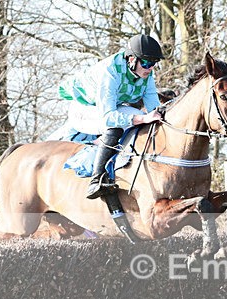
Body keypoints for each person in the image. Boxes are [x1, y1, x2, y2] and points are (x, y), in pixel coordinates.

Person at [54, 34, 165, 199]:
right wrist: (143, 119)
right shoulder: (110, 71)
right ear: (131, 59)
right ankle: (96, 180)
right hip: (84, 109)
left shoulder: (145, 74)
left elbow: (154, 109)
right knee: (116, 126)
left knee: (145, 117)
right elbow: (108, 118)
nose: (150, 68)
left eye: (153, 64)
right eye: (147, 63)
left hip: (109, 108)